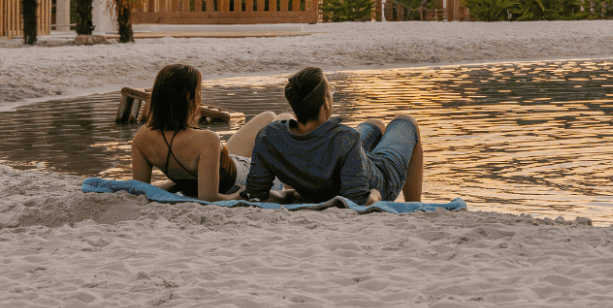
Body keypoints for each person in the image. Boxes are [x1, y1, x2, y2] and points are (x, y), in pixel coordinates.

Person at [244, 67, 427, 204]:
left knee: (375, 125)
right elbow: (359, 201)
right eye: (330, 92)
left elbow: (256, 194)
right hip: (380, 176)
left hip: (342, 156)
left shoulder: (269, 136)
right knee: (406, 121)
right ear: (325, 102)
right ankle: (414, 205)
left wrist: (296, 195)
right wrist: (377, 194)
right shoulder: (345, 138)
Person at [128, 63, 278, 202]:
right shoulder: (206, 139)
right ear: (189, 97)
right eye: (199, 91)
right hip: (244, 178)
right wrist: (243, 194)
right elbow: (209, 198)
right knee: (283, 120)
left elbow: (142, 190)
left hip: (221, 166)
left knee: (269, 117)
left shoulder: (142, 137)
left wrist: (178, 184)